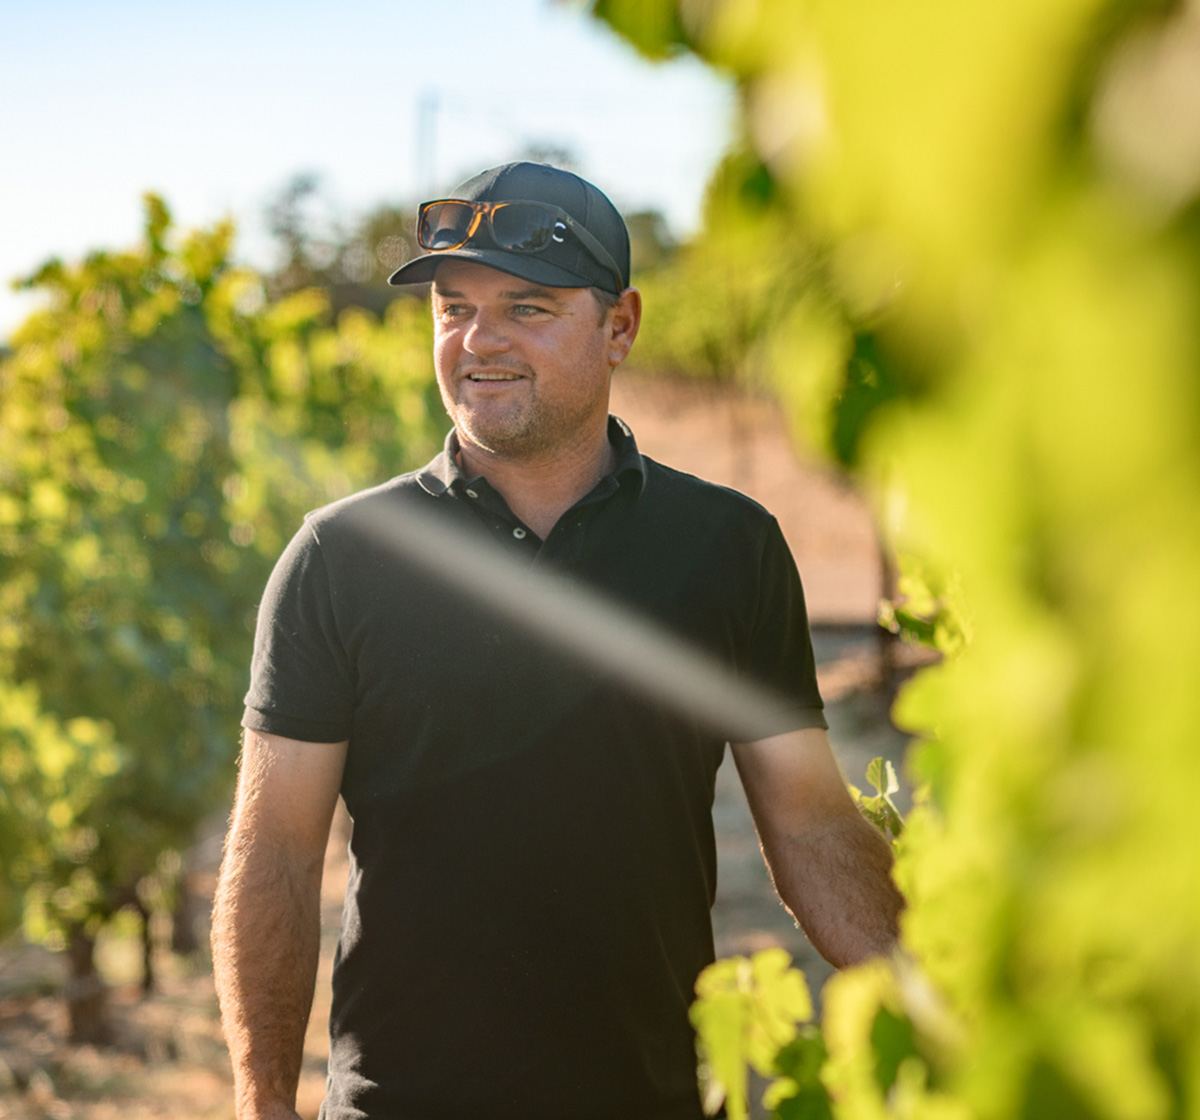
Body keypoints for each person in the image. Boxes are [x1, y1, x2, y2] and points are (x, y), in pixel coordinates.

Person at [211, 161, 902, 1120]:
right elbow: (278, 853)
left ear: (621, 326)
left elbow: (813, 826)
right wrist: (261, 1103)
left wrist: (949, 998)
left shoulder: (727, 548)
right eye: (454, 309)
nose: (477, 341)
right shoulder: (342, 558)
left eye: (527, 308)